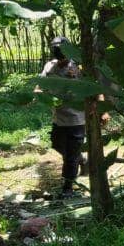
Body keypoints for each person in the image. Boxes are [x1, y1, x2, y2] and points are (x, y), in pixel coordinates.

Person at [40, 36, 86, 197]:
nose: (58, 52)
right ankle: (81, 159)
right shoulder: (49, 66)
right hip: (58, 117)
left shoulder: (78, 66)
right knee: (57, 145)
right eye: (55, 48)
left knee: (70, 155)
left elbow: (93, 86)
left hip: (77, 118)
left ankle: (68, 187)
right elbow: (41, 85)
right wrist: (36, 94)